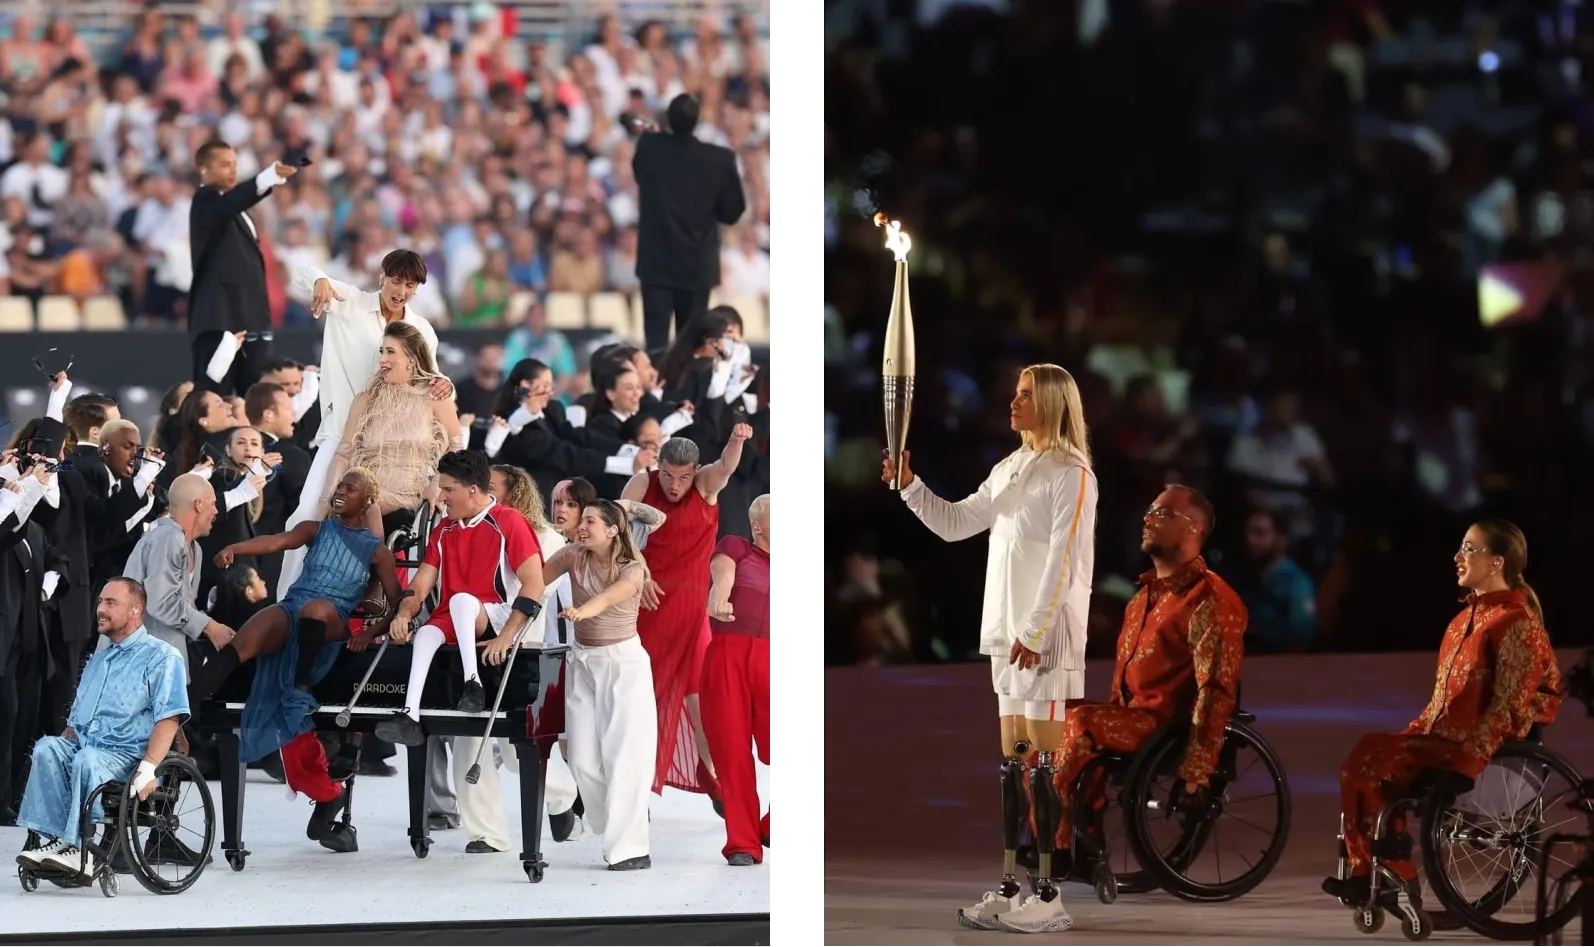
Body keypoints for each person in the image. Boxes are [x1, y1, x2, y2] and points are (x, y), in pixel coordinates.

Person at [879, 363, 1099, 935]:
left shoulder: (1071, 474)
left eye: (1025, 395)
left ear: (1052, 404)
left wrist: (1036, 629)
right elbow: (956, 524)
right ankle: (1008, 886)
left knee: (1044, 766)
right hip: (1006, 638)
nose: (1013, 402)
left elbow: (1063, 557)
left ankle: (1048, 893)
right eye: (1015, 392)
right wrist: (910, 486)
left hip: (1044, 642)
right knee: (1014, 763)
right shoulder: (1011, 468)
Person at [1010, 485, 1245, 934]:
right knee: (1046, 717)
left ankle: (1056, 846)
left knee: (1080, 722)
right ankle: (1080, 839)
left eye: (1162, 512)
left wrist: (1197, 767)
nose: (1148, 517)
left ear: (1192, 529)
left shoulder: (1210, 600)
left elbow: (1216, 690)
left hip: (1168, 726)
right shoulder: (1142, 599)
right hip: (1131, 718)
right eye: (1150, 509)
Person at [1322, 519, 1562, 911]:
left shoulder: (1517, 624)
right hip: (1445, 739)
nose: (1458, 557)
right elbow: (1440, 708)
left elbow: (1509, 707)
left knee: (1376, 757)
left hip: (1486, 750)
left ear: (1497, 562)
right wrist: (1408, 737)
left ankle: (1389, 868)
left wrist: (1467, 762)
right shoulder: (1462, 622)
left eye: (1469, 548)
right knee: (1367, 756)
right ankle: (1375, 870)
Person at [188, 469, 403, 852]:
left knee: (317, 609)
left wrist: (368, 634)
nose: (340, 491)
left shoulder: (376, 550)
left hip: (333, 617)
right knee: (252, 630)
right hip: (294, 607)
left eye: (349, 488)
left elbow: (394, 600)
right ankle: (185, 711)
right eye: (339, 486)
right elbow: (277, 542)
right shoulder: (316, 529)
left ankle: (300, 688)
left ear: (366, 500)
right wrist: (238, 548)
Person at [276, 254, 450, 601]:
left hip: (393, 449)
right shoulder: (349, 302)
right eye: (396, 280)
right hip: (343, 434)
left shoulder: (423, 331)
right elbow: (298, 272)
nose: (401, 290)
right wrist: (320, 279)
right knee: (307, 514)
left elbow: (430, 380)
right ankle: (288, 605)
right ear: (382, 276)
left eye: (410, 284)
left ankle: (380, 598)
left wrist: (445, 383)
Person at [375, 451, 547, 760]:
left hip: (495, 615)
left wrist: (506, 637)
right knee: (427, 633)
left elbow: (535, 584)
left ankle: (473, 684)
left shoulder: (509, 521)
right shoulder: (444, 530)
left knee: (462, 601)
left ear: (472, 490)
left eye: (448, 489)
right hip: (455, 616)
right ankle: (409, 714)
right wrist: (402, 614)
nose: (441, 497)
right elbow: (420, 585)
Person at [14, 578, 188, 881]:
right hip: (89, 750)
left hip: (128, 756)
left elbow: (169, 718)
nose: (100, 610)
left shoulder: (162, 656)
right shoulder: (99, 657)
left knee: (86, 759)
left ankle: (77, 847)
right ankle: (56, 839)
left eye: (110, 603)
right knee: (47, 747)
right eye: (99, 602)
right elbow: (78, 720)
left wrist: (149, 768)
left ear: (136, 610)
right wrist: (60, 746)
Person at [621, 425, 753, 801]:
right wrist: (639, 575)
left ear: (694, 472)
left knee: (702, 702)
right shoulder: (639, 486)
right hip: (647, 609)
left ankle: (718, 781)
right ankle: (632, 786)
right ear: (657, 466)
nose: (674, 485)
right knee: (642, 699)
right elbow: (621, 537)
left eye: (682, 477)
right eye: (667, 475)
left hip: (692, 614)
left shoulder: (705, 486)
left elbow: (726, 467)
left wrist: (736, 440)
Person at [542, 498, 658, 871]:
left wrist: (582, 611)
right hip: (582, 662)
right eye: (583, 520)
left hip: (622, 664)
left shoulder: (632, 566)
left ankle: (630, 849)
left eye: (591, 520)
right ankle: (615, 824)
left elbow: (611, 597)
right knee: (581, 759)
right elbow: (533, 580)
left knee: (624, 759)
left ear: (613, 530)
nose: (583, 525)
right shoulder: (571, 555)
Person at [321, 321, 460, 540]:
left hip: (409, 497)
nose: (382, 359)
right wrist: (325, 500)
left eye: (390, 352)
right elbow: (344, 453)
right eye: (381, 351)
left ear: (411, 359)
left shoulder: (434, 397)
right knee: (352, 511)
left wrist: (437, 483)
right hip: (365, 492)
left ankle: (374, 564)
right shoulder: (365, 399)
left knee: (366, 514)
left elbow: (456, 445)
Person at [633, 93, 748, 351]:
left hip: (657, 265)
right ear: (698, 121)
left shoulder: (650, 148)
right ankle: (686, 392)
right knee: (691, 347)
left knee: (656, 345)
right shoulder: (719, 159)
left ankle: (657, 391)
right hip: (696, 265)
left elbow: (640, 171)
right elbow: (733, 212)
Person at [188, 141, 299, 396]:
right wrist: (267, 177)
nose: (232, 170)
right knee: (216, 399)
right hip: (220, 318)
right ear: (204, 170)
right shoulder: (205, 200)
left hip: (250, 319)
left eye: (235, 165)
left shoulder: (237, 211)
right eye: (225, 164)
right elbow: (229, 204)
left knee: (255, 399)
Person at [703, 494, 774, 866]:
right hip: (728, 655)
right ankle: (743, 844)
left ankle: (767, 824)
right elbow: (723, 573)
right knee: (732, 754)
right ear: (758, 524)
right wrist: (720, 595)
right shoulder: (738, 546)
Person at [118, 473, 235, 680]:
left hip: (165, 664)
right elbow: (161, 602)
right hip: (139, 667)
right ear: (199, 504)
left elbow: (183, 609)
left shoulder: (194, 548)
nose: (216, 511)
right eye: (213, 504)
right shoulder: (167, 538)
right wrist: (209, 627)